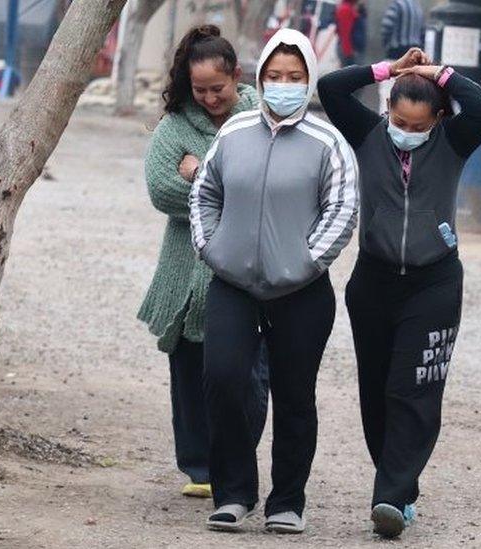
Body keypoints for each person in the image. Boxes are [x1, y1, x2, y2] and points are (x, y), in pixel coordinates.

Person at [317, 47, 481, 538]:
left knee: (412, 388)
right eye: (401, 121)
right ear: (387, 112)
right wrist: (389, 69)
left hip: (434, 282)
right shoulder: (369, 134)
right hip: (373, 280)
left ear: (439, 118)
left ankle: (390, 497)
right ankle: (401, 483)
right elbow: (331, 88)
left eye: (420, 125)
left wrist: (440, 74)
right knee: (376, 391)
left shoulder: (455, 140)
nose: (409, 131)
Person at [189, 28, 358, 534]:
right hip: (233, 284)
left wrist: (304, 261)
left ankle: (287, 500)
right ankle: (234, 493)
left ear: (309, 81)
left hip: (301, 291)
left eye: (295, 77)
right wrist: (213, 248)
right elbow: (205, 193)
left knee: (293, 393)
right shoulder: (234, 132)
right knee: (222, 379)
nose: (283, 85)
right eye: (274, 76)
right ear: (259, 79)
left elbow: (343, 208)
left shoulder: (327, 141)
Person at [140, 24, 267, 502]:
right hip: (187, 271)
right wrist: (224, 187)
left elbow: (269, 183)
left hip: (251, 267)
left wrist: (200, 172)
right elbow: (160, 189)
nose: (211, 98)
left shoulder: (261, 114)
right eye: (200, 90)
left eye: (218, 88)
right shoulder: (174, 126)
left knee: (247, 373)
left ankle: (235, 458)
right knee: (190, 368)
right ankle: (199, 464)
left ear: (237, 75)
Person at [378, 0, 424, 112]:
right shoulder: (417, 7)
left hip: (395, 54)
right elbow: (422, 32)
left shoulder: (396, 5)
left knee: (388, 91)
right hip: (413, 56)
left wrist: (387, 44)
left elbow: (386, 27)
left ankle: (385, 120)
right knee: (406, 92)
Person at [335, 0, 361, 67]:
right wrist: (348, 52)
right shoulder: (345, 9)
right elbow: (345, 33)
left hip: (348, 48)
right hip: (347, 49)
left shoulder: (349, 7)